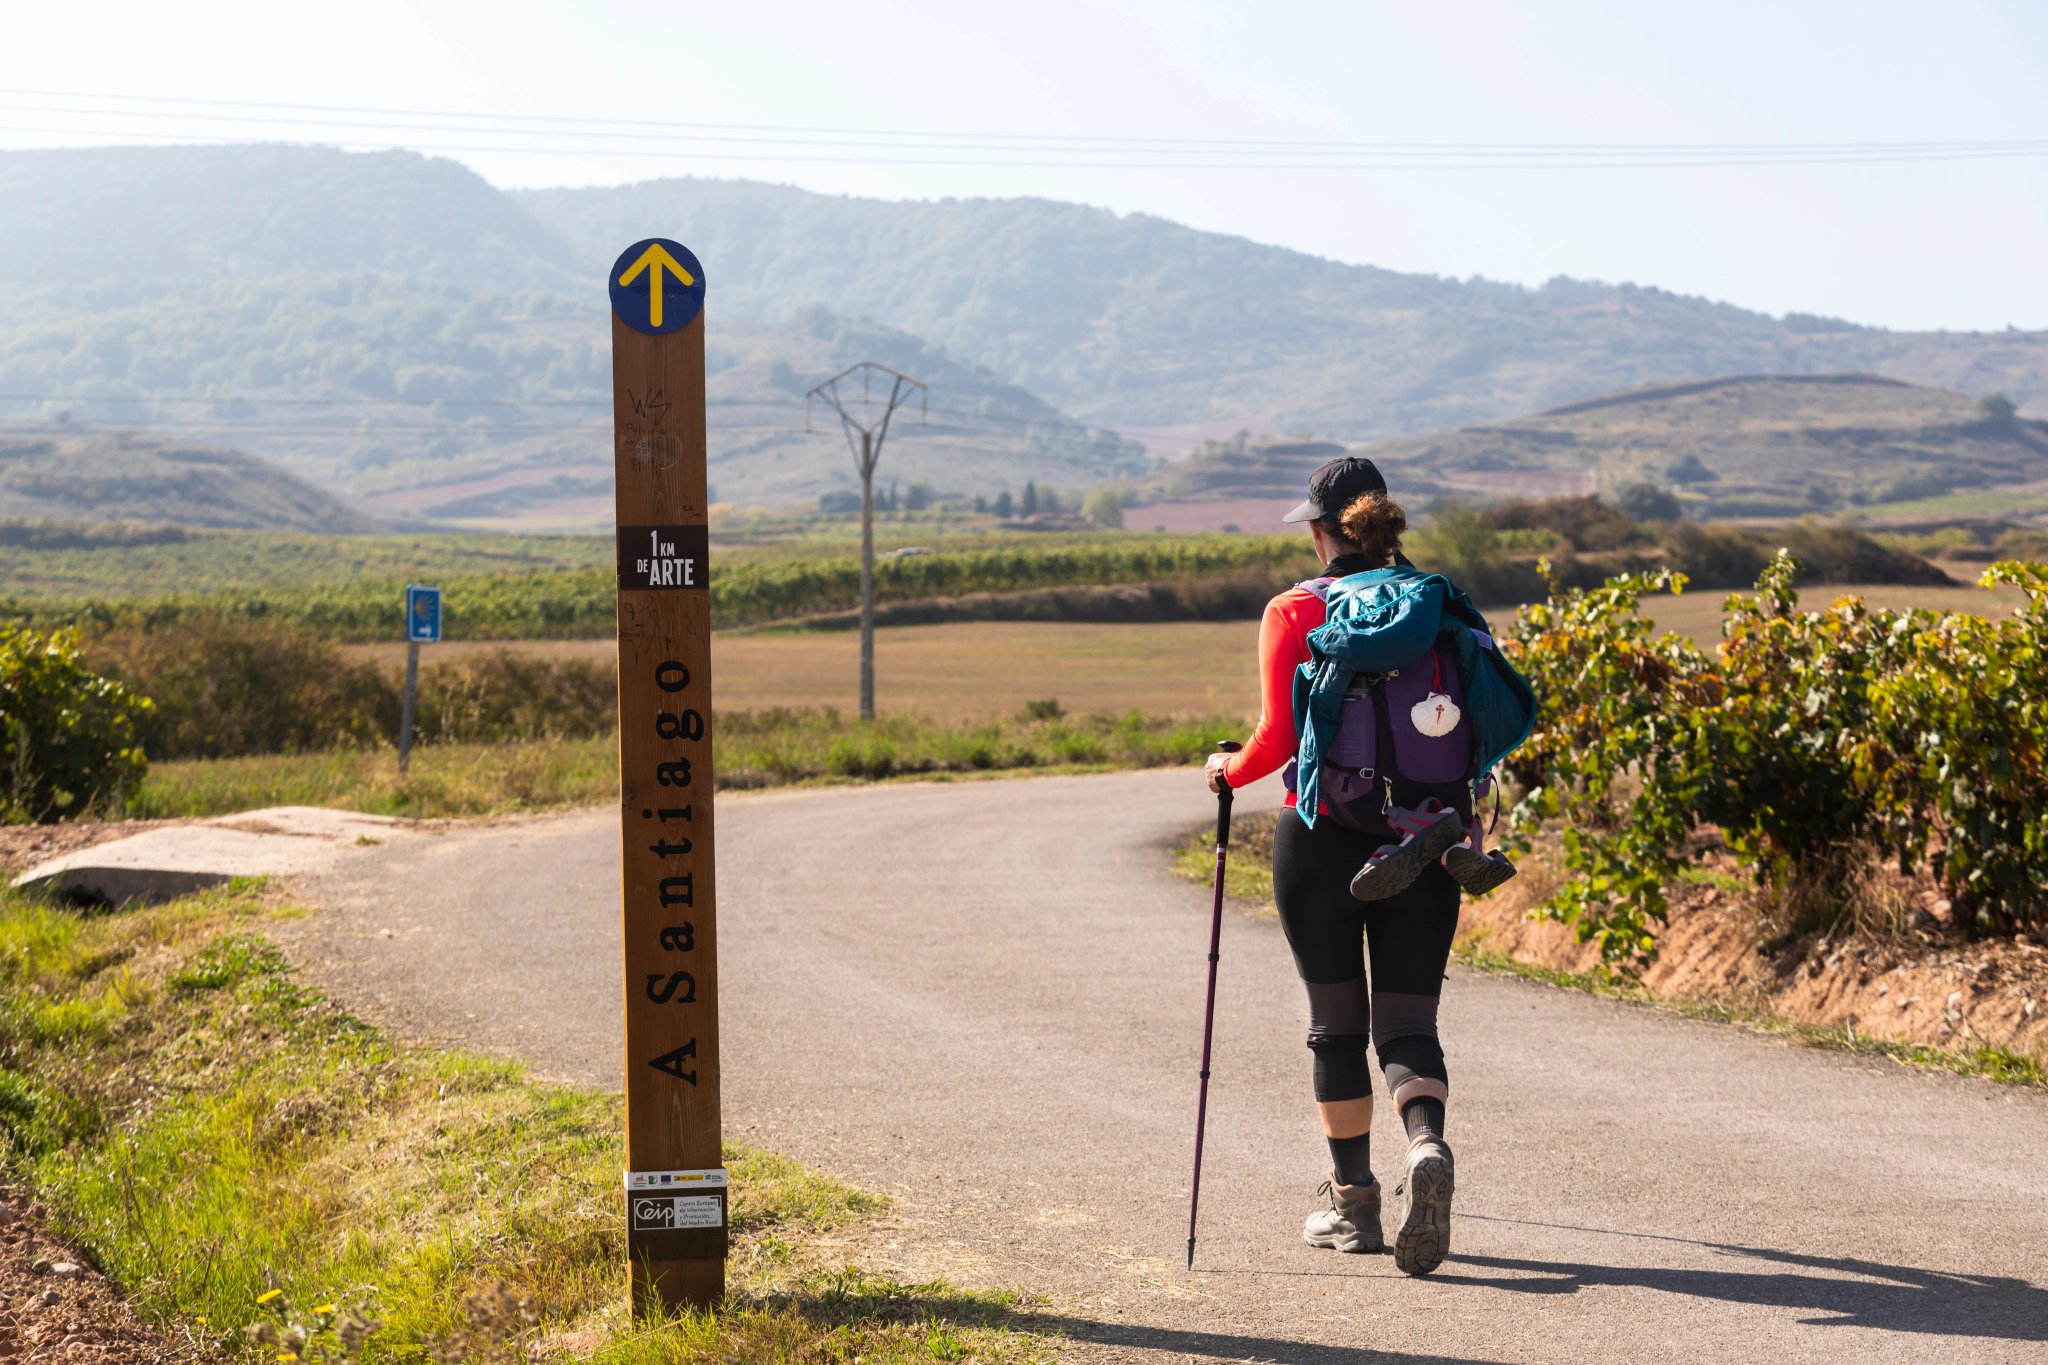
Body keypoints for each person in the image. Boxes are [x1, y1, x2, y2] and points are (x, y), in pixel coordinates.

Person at [1203, 456, 1531, 1277]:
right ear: (1388, 525)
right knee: (1410, 1024)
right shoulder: (1442, 606)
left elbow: (1276, 741)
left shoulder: (1297, 607)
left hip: (1322, 837)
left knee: (1336, 1023)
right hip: (1430, 833)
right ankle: (1426, 1141)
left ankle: (1354, 1204)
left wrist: (1225, 772)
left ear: (1321, 532)